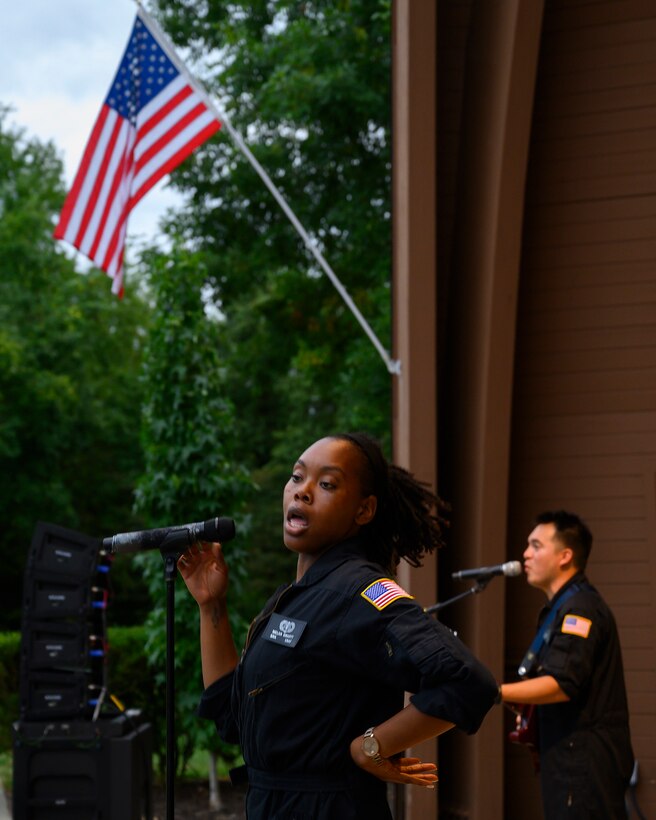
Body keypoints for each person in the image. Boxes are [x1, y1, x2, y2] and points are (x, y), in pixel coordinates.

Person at [178, 432, 498, 819]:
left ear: (363, 511)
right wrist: (211, 605)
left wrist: (370, 748)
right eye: (297, 477)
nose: (303, 492)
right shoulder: (293, 599)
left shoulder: (359, 592)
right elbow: (232, 720)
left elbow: (467, 682)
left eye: (326, 484)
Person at [498, 510, 634, 819]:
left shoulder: (580, 609)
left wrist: (496, 692)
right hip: (568, 759)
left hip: (584, 762)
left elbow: (562, 683)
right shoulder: (563, 607)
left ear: (565, 556)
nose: (525, 555)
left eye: (536, 545)